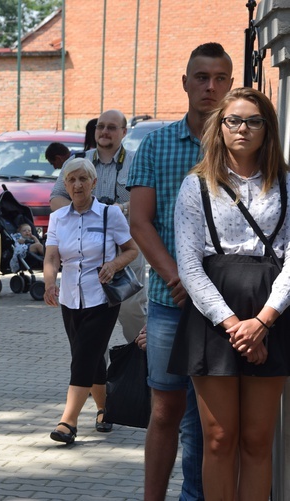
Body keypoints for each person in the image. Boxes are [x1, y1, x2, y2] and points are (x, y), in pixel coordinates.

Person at [170, 87, 290, 500]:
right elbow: (188, 265)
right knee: (219, 439)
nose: (243, 128)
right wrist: (235, 325)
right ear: (218, 128)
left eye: (253, 121)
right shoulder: (196, 186)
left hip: (273, 312)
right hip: (213, 317)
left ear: (267, 129)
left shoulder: (287, 184)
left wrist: (263, 321)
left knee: (257, 441)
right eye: (233, 120)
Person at [128, 42, 233, 501]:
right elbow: (139, 221)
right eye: (201, 77)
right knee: (167, 409)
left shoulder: (241, 142)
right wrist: (177, 279)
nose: (210, 87)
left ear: (230, 83)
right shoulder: (157, 143)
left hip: (229, 304)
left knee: (213, 420)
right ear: (186, 82)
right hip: (172, 302)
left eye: (219, 78)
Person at [43, 157, 139, 444]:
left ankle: (68, 422)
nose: (77, 185)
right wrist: (49, 284)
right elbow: (51, 256)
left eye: (83, 179)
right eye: (71, 180)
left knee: (83, 356)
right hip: (70, 298)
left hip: (103, 298)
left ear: (93, 183)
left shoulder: (111, 214)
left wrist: (115, 264)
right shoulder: (58, 217)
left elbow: (131, 249)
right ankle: (105, 408)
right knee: (92, 356)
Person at [49, 109, 146, 345]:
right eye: (100, 126)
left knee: (132, 313)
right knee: (89, 323)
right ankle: (95, 377)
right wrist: (86, 214)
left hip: (126, 250)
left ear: (124, 132)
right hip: (87, 254)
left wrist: (117, 212)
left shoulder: (136, 162)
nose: (104, 132)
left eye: (112, 127)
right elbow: (56, 200)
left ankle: (138, 372)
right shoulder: (76, 161)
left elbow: (145, 202)